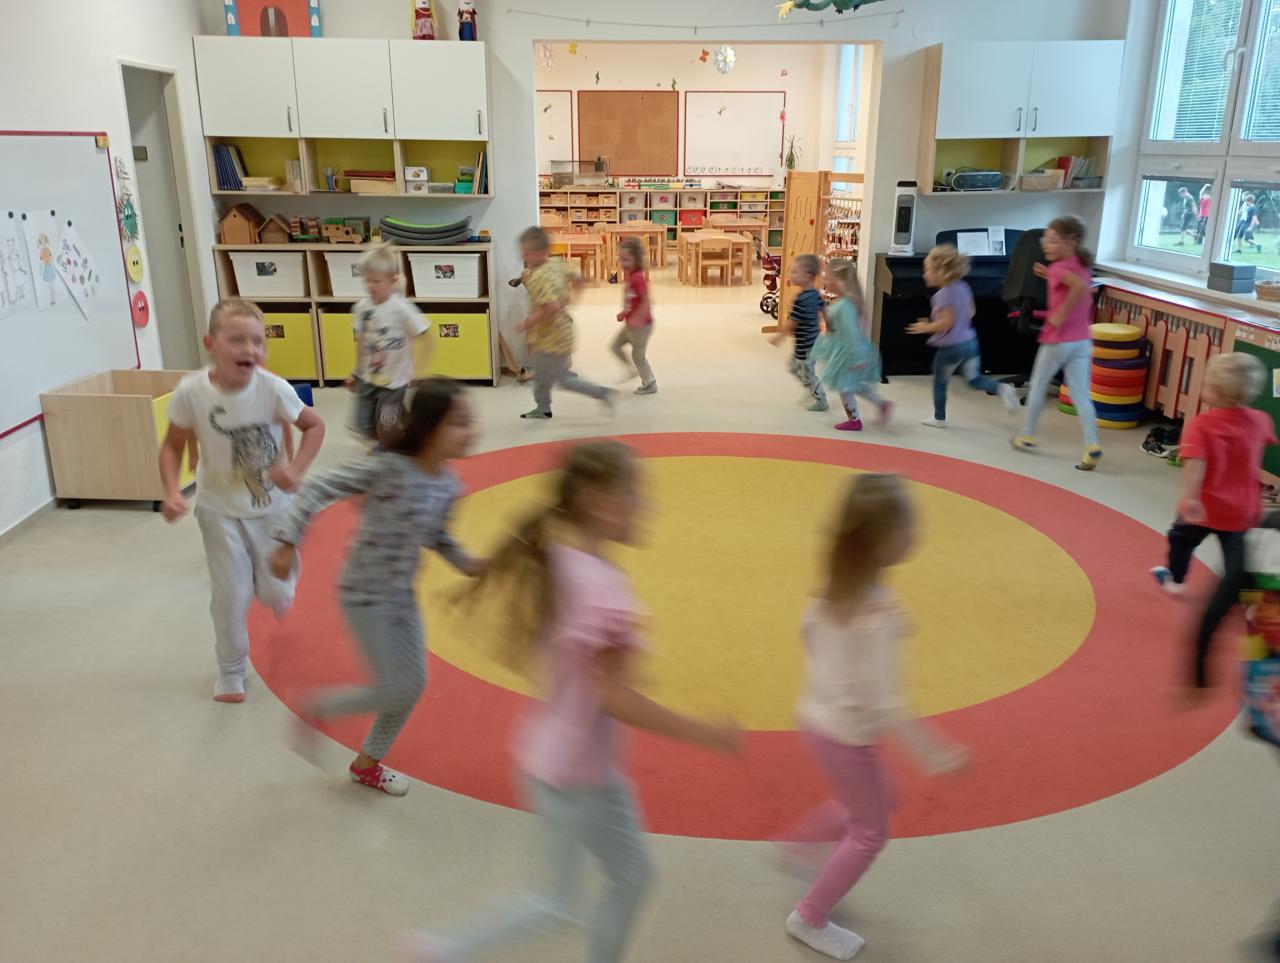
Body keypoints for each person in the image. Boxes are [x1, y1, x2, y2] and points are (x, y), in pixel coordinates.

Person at [402, 440, 740, 962]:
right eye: (634, 494)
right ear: (598, 502)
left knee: (576, 894)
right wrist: (704, 733)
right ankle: (444, 951)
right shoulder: (603, 589)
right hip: (581, 773)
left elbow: (590, 674)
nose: (645, 506)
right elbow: (614, 697)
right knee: (609, 886)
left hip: (548, 755)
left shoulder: (560, 554)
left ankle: (443, 949)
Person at [779, 473, 966, 961]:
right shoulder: (880, 612)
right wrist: (937, 754)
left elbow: (808, 633)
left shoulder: (837, 586)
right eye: (908, 527)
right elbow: (889, 704)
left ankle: (803, 844)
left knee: (882, 797)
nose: (915, 534)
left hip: (818, 719)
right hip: (847, 736)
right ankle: (809, 917)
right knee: (871, 832)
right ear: (885, 541)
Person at [268, 379, 484, 796]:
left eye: (470, 422)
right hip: (363, 595)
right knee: (397, 686)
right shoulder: (389, 469)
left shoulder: (449, 487)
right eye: (459, 422)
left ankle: (367, 764)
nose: (470, 431)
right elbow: (319, 486)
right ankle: (319, 708)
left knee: (412, 685)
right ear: (429, 428)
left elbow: (437, 536)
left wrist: (470, 564)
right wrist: (287, 540)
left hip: (402, 595)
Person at [158, 298, 326, 703]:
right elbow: (172, 445)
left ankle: (275, 585)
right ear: (210, 343)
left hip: (273, 510)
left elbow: (314, 426)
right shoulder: (191, 392)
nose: (249, 349)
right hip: (218, 510)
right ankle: (231, 669)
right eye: (236, 340)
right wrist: (171, 491)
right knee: (230, 596)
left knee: (276, 593)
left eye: (257, 341)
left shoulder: (273, 388)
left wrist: (296, 469)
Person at [1149, 353, 1275, 689]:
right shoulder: (1261, 420)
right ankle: (1251, 605)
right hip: (1243, 509)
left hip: (1205, 508)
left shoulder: (1202, 425)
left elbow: (1196, 465)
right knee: (1240, 561)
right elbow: (1257, 449)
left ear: (1214, 393)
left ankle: (1176, 579)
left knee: (1180, 539)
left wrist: (1189, 498)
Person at [1011, 215, 1103, 470]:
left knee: (1038, 385)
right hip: (1081, 340)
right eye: (1046, 240)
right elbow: (1077, 282)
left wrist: (1060, 313)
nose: (1046, 245)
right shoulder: (1080, 264)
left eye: (1053, 240)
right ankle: (1092, 445)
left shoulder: (1060, 268)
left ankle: (1027, 434)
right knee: (1081, 395)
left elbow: (1078, 287)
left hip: (1058, 340)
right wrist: (1047, 273)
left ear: (1071, 241)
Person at [906, 244, 1019, 429]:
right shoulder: (963, 286)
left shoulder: (941, 296)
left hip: (952, 347)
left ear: (941, 272)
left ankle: (939, 418)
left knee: (940, 381)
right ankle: (1003, 388)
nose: (924, 274)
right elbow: (971, 312)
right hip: (970, 342)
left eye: (927, 270)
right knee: (973, 380)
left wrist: (926, 327)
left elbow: (945, 324)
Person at [517, 226, 615, 420]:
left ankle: (601, 393)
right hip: (563, 331)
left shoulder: (540, 277)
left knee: (561, 379)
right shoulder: (556, 263)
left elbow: (551, 307)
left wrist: (529, 322)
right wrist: (571, 299)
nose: (523, 256)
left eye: (527, 253)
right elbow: (581, 279)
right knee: (544, 375)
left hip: (551, 338)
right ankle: (543, 407)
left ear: (541, 252)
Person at [348, 244, 430, 440]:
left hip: (395, 380)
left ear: (392, 281)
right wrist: (356, 372)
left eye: (376, 281)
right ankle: (398, 427)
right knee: (363, 426)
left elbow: (427, 338)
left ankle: (393, 440)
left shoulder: (402, 309)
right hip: (368, 377)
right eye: (366, 280)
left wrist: (419, 371)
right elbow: (361, 342)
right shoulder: (361, 308)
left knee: (387, 424)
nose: (370, 286)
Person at [810, 258, 890, 432]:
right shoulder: (847, 302)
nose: (825, 281)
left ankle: (854, 420)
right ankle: (880, 403)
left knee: (844, 386)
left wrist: (858, 357)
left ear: (840, 282)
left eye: (828, 278)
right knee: (853, 384)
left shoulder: (845, 305)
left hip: (850, 353)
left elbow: (852, 333)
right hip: (849, 350)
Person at [772, 253, 828, 412]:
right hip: (811, 342)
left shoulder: (801, 299)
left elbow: (792, 322)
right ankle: (809, 386)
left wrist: (779, 338)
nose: (791, 274)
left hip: (807, 346)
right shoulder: (815, 294)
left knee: (808, 373)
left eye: (795, 271)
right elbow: (825, 309)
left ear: (808, 276)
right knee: (794, 367)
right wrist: (830, 327)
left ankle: (821, 400)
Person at [611, 237, 657, 395]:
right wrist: (624, 313)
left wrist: (638, 318)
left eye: (627, 260)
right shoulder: (630, 276)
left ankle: (650, 383)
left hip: (642, 326)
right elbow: (631, 299)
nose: (623, 263)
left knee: (638, 355)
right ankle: (631, 371)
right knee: (615, 346)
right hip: (630, 324)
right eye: (621, 259)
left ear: (637, 260)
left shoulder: (638, 278)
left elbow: (647, 300)